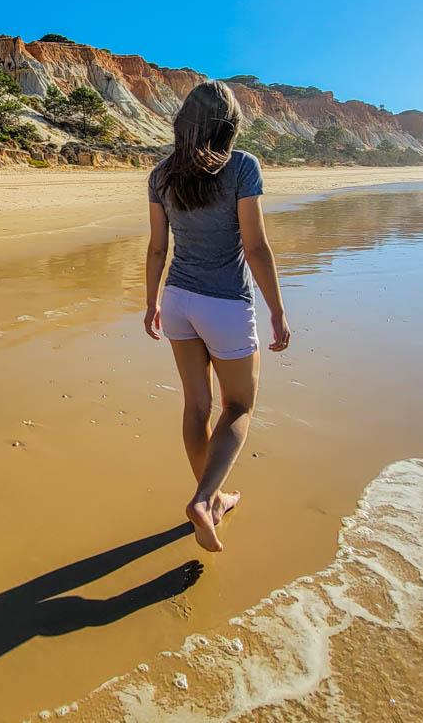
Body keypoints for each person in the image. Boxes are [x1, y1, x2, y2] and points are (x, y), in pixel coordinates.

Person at [144, 81, 289, 553]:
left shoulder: (162, 174)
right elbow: (255, 246)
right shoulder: (242, 166)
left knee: (196, 407)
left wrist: (152, 304)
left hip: (179, 302)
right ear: (229, 123)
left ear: (184, 120)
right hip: (224, 304)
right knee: (239, 407)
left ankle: (215, 497)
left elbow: (156, 248)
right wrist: (277, 311)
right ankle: (205, 500)